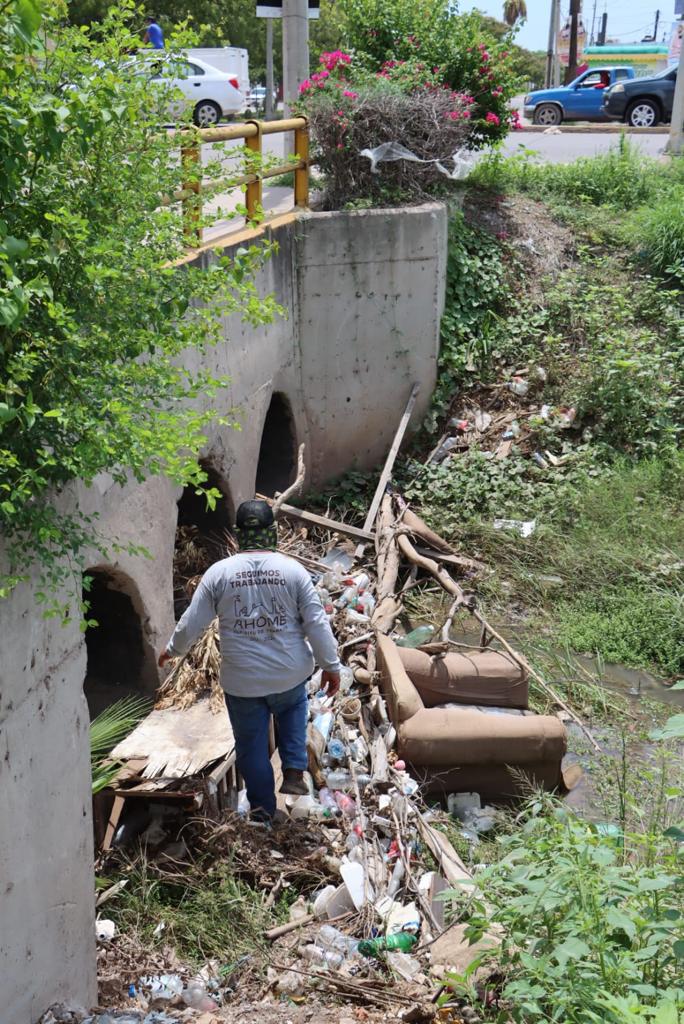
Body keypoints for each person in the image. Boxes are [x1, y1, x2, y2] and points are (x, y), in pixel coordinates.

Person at [159, 499, 341, 821]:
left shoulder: (219, 574)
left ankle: (261, 813)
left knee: (251, 747)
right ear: (272, 533)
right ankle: (295, 771)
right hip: (289, 673)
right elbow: (316, 622)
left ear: (239, 535)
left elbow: (192, 621)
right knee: (294, 709)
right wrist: (331, 665)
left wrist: (173, 650)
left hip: (242, 682)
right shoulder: (293, 572)